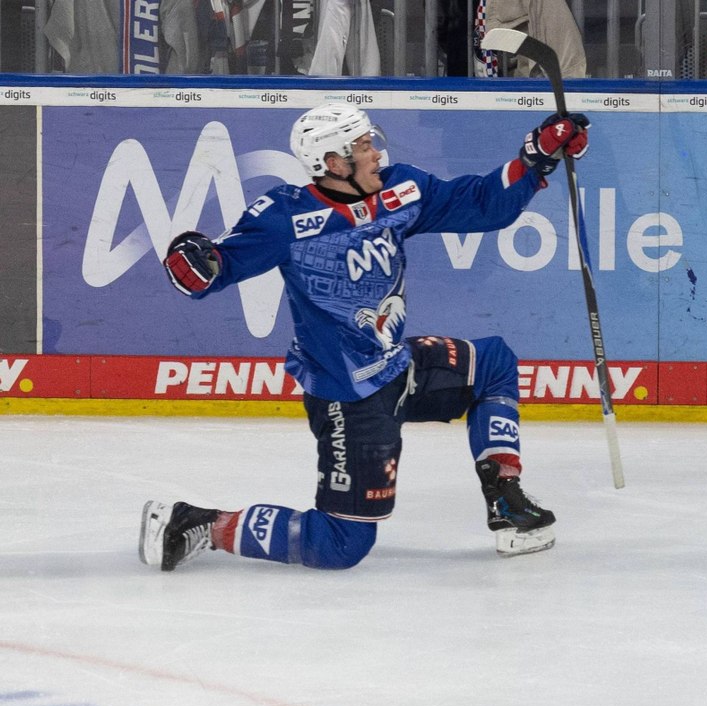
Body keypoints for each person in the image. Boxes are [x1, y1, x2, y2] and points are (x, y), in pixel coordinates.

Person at [139, 102, 590, 571]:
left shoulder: (401, 189)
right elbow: (216, 267)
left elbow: (482, 204)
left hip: (398, 367)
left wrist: (538, 156)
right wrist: (193, 265)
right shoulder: (283, 217)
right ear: (334, 163)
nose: (377, 152)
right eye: (363, 145)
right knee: (342, 543)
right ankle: (194, 522)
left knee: (493, 363)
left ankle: (504, 498)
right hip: (348, 396)